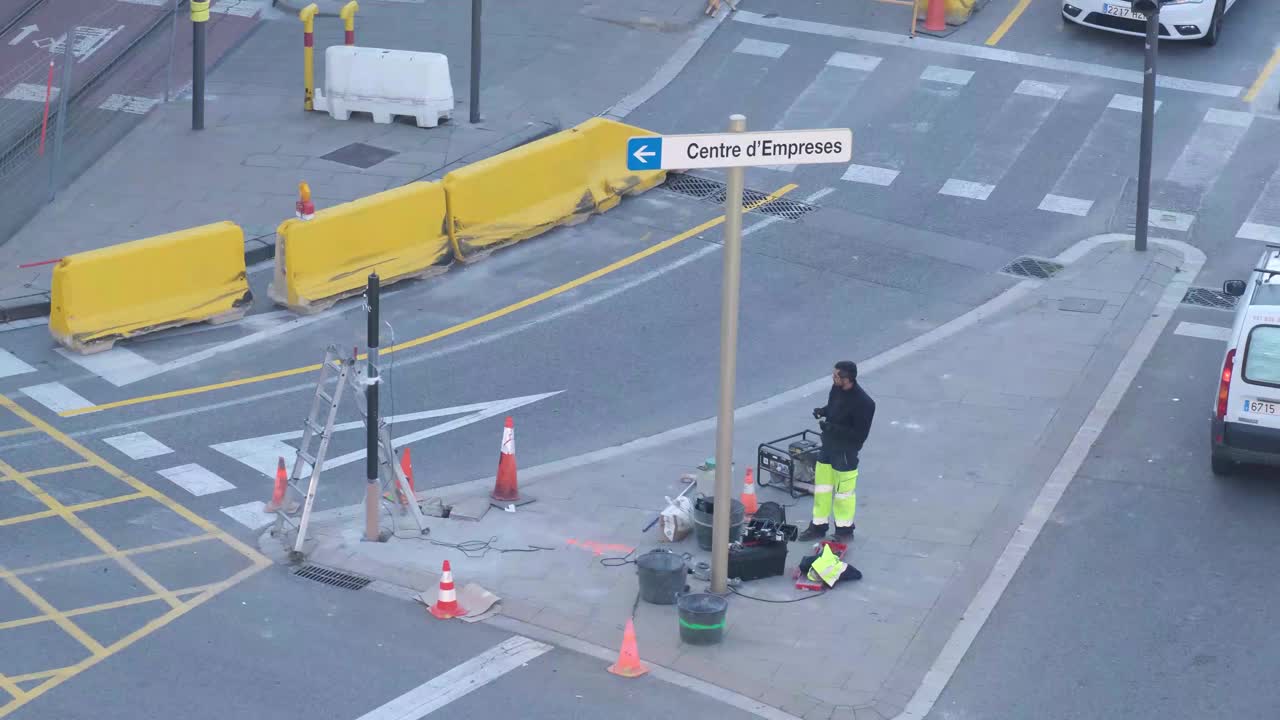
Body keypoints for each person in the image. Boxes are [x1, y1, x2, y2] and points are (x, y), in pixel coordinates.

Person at [799, 360, 875, 542]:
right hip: (828, 446)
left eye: (836, 376)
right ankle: (818, 525)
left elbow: (859, 435)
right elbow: (833, 407)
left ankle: (844, 529)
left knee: (843, 494)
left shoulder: (864, 403)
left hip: (845, 452)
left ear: (847, 379)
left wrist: (832, 428)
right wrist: (823, 411)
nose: (833, 378)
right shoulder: (837, 389)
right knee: (822, 488)